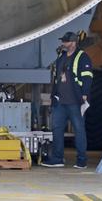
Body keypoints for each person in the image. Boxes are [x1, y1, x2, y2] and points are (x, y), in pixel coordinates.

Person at [41, 31, 94, 169]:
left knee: (79, 130)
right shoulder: (61, 57)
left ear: (73, 43)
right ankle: (57, 158)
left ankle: (81, 160)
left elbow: (87, 77)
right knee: (57, 129)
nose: (63, 44)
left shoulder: (82, 57)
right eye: (63, 41)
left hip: (75, 101)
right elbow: (57, 78)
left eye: (65, 41)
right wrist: (54, 96)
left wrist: (85, 95)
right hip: (60, 101)